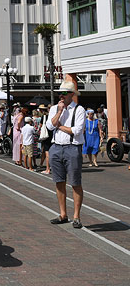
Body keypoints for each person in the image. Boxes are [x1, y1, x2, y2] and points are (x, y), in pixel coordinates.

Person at [46, 80, 86, 229]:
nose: (60, 96)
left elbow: (76, 130)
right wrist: (59, 112)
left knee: (75, 182)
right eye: (59, 93)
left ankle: (76, 216)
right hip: (56, 147)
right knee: (59, 181)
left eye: (63, 93)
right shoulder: (56, 108)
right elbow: (50, 126)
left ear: (71, 94)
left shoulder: (79, 109)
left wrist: (60, 126)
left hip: (72, 148)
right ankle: (63, 214)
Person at [38, 104, 52, 174]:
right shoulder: (53, 116)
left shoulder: (44, 117)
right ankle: (44, 165)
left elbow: (40, 126)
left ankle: (47, 168)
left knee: (47, 152)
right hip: (53, 135)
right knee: (50, 151)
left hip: (46, 136)